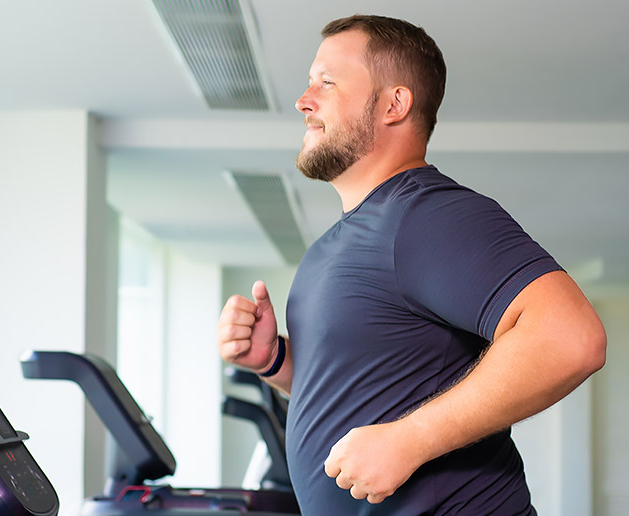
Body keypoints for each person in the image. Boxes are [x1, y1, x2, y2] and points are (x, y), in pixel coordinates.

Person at [216, 14, 606, 515]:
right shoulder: (339, 244)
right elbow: (365, 392)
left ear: (394, 104)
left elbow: (571, 338)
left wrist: (410, 440)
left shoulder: (425, 214)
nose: (303, 100)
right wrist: (274, 361)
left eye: (327, 83)